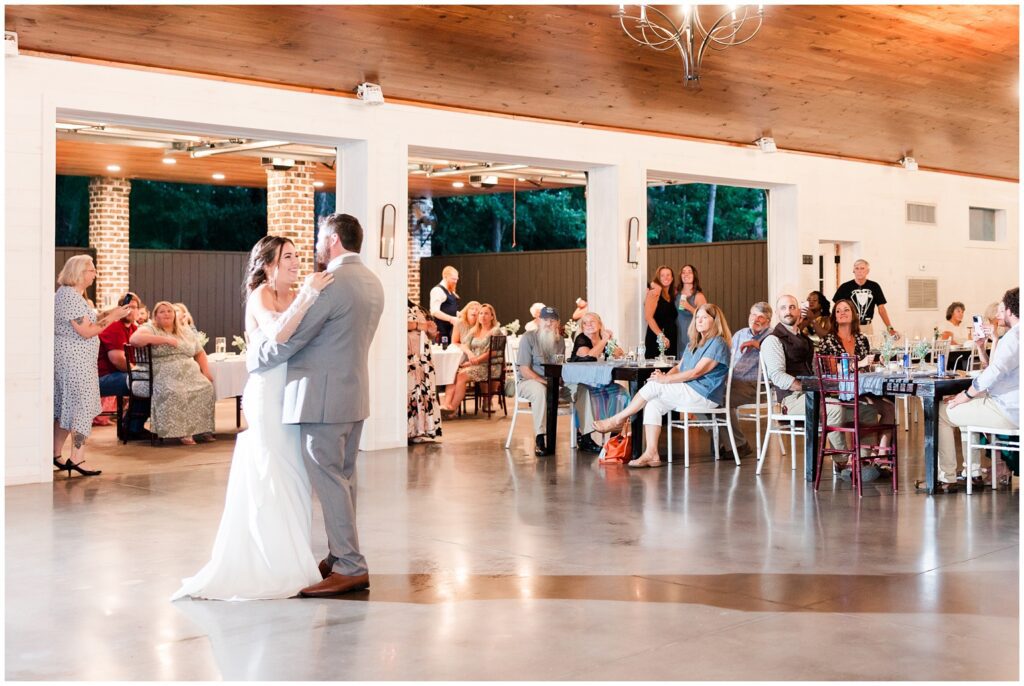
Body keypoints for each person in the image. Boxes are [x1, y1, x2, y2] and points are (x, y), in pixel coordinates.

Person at [171, 235, 335, 601]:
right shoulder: (261, 296)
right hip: (266, 394)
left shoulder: (295, 295)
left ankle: (295, 560)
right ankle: (268, 564)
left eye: (297, 256)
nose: (296, 262)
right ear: (268, 265)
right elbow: (277, 334)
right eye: (288, 257)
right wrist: (309, 294)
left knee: (293, 475)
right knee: (270, 472)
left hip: (293, 393)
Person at [251, 213, 385, 598]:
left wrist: (257, 360)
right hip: (354, 394)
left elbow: (292, 339)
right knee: (344, 480)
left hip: (322, 399)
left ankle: (349, 565)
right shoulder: (373, 282)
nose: (313, 248)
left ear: (333, 240)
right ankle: (338, 554)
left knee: (329, 482)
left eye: (318, 238)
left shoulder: (330, 284)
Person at [594, 304, 732, 468]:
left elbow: (696, 372)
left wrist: (663, 381)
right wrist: (664, 376)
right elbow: (679, 368)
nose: (699, 321)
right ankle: (652, 453)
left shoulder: (718, 343)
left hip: (704, 394)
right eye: (697, 317)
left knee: (653, 386)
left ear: (715, 321)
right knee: (654, 402)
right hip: (689, 391)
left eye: (704, 317)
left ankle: (618, 418)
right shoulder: (694, 344)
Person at [53, 255, 134, 477]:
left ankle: (55, 452)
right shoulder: (69, 297)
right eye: (92, 270)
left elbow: (90, 320)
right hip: (74, 362)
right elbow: (87, 330)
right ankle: (77, 457)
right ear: (79, 272)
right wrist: (115, 317)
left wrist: (111, 313)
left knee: (66, 409)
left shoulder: (72, 296)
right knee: (81, 409)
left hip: (77, 361)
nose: (95, 273)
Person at [931, 288, 1018, 493]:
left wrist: (967, 394)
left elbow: (994, 372)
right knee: (964, 407)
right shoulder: (1013, 336)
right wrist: (981, 347)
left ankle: (947, 477)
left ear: (1010, 310)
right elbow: (998, 371)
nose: (999, 314)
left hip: (1007, 410)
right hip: (1013, 407)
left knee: (941, 412)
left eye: (1002, 309)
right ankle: (973, 471)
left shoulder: (1014, 337)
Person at [817, 298, 896, 474]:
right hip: (839, 393)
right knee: (867, 409)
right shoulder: (828, 340)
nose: (842, 313)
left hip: (859, 391)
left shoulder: (861, 339)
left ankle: (881, 458)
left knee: (889, 408)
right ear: (834, 316)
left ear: (853, 314)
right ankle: (858, 457)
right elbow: (829, 368)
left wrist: (876, 362)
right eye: (838, 311)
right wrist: (856, 364)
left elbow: (865, 367)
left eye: (846, 310)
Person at [760, 295, 846, 453]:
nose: (788, 311)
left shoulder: (805, 340)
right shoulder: (773, 340)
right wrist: (809, 387)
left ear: (799, 311)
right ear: (777, 314)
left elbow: (815, 370)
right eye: (783, 308)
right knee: (834, 410)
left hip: (813, 395)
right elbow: (778, 376)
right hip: (790, 400)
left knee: (865, 411)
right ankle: (843, 462)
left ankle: (866, 462)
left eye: (792, 307)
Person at [130, 301, 216, 444]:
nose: (167, 314)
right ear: (155, 316)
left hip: (190, 373)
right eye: (162, 312)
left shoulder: (185, 330)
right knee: (177, 391)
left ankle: (202, 429)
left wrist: (206, 372)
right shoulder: (150, 328)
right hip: (164, 371)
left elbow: (199, 351)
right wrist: (166, 340)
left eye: (169, 311)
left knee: (206, 388)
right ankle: (182, 432)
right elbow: (134, 339)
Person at [721, 302, 773, 458]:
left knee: (718, 400)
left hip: (756, 387)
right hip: (732, 383)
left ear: (768, 321)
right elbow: (729, 358)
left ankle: (736, 444)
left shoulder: (772, 336)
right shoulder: (740, 334)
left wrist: (760, 345)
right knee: (704, 397)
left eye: (761, 317)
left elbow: (778, 357)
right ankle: (731, 442)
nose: (755, 319)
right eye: (753, 314)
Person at [96, 291, 151, 439]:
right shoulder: (113, 327)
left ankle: (133, 425)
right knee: (144, 382)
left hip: (120, 375)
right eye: (125, 306)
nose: (129, 310)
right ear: (119, 309)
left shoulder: (134, 329)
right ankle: (132, 428)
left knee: (149, 381)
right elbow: (118, 360)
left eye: (133, 307)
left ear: (139, 311)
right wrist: (139, 372)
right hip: (103, 378)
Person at [570, 311, 626, 453]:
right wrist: (604, 341)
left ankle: (615, 433)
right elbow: (589, 356)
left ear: (600, 324)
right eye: (585, 323)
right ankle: (585, 438)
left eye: (592, 321)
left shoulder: (603, 338)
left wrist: (611, 344)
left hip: (599, 382)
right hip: (580, 382)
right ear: (582, 327)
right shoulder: (581, 339)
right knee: (586, 393)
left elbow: (620, 353)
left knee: (621, 392)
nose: (588, 325)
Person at [516, 306, 565, 456]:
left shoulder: (560, 341)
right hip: (528, 381)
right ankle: (540, 437)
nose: (548, 323)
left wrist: (562, 383)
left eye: (552, 320)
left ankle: (585, 435)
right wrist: (545, 382)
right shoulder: (528, 337)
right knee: (540, 391)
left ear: (557, 323)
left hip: (553, 382)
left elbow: (560, 366)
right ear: (538, 321)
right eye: (545, 319)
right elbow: (524, 369)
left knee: (580, 388)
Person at [439, 303, 501, 414]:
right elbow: (464, 344)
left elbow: (493, 352)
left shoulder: (495, 331)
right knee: (456, 372)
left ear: (492, 316)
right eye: (481, 313)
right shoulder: (475, 330)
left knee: (462, 375)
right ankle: (448, 406)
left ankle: (452, 409)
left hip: (490, 366)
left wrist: (475, 361)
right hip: (476, 364)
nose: (482, 316)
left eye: (486, 313)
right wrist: (470, 356)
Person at [832, 259, 900, 338]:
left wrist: (890, 328)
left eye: (862, 268)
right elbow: (836, 309)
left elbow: (881, 309)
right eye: (857, 268)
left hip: (867, 326)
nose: (859, 271)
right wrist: (834, 327)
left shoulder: (874, 286)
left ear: (867, 271)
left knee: (868, 348)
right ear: (853, 271)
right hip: (849, 326)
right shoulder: (845, 287)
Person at [408, 299, 442, 444]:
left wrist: (432, 331)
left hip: (423, 358)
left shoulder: (417, 308)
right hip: (409, 357)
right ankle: (408, 430)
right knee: (410, 392)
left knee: (423, 393)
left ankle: (421, 429)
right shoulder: (394, 305)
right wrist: (419, 325)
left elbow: (430, 333)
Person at [644, 265, 677, 358]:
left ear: (672, 278)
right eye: (662, 275)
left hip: (671, 336)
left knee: (670, 369)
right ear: (658, 278)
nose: (665, 278)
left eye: (668, 275)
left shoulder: (672, 295)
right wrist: (661, 336)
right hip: (657, 337)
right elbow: (648, 317)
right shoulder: (654, 293)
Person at [674, 264, 707, 353]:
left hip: (691, 333)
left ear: (694, 276)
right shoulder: (676, 294)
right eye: (683, 272)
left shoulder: (698, 296)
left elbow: (705, 317)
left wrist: (689, 307)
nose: (686, 274)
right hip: (677, 333)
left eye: (689, 272)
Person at [429, 266, 460, 345]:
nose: (455, 281)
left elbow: (448, 309)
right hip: (441, 331)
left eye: (457, 279)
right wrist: (451, 319)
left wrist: (459, 314)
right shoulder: (437, 290)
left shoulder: (450, 291)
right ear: (445, 277)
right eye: (453, 279)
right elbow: (434, 311)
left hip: (450, 331)